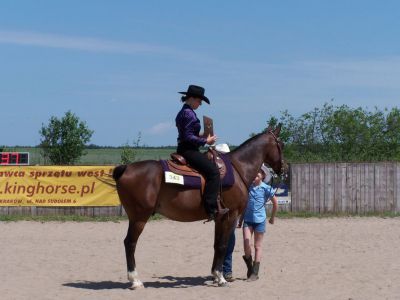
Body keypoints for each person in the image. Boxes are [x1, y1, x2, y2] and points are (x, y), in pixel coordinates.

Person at [175, 84, 229, 221]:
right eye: (199, 101)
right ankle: (210, 208)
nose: (200, 104)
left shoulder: (185, 112)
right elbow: (187, 136)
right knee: (213, 172)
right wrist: (205, 141)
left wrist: (203, 136)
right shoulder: (188, 113)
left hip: (186, 147)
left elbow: (189, 133)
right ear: (191, 98)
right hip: (189, 150)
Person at [239, 168, 278, 281]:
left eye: (259, 171)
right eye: (255, 170)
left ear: (263, 175)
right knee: (246, 243)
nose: (256, 173)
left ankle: (255, 273)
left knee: (257, 246)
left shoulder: (266, 188)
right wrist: (240, 220)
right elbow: (244, 206)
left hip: (260, 220)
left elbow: (275, 203)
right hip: (247, 220)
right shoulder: (247, 187)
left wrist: (272, 218)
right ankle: (250, 268)